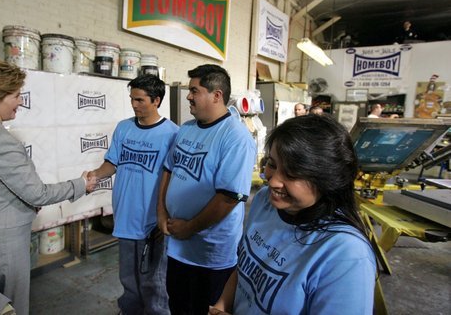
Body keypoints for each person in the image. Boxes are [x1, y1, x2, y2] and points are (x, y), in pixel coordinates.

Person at [0, 56, 97, 315]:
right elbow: (37, 192)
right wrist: (81, 184)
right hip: (4, 241)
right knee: (12, 306)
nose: (21, 102)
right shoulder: (0, 140)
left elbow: (1, 184)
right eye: (15, 96)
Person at [210, 114, 376, 314]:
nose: (273, 182)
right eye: (272, 164)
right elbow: (244, 268)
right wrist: (222, 305)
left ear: (327, 178)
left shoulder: (346, 255)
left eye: (291, 173)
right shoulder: (265, 201)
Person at [157, 64, 257, 314]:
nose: (189, 96)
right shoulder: (187, 128)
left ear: (216, 95)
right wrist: (161, 212)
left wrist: (189, 227)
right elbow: (169, 169)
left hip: (210, 254)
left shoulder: (235, 137)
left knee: (203, 308)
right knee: (178, 305)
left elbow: (229, 197)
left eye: (194, 90)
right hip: (177, 246)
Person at [89, 74, 178, 314]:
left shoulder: (172, 134)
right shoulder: (124, 127)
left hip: (152, 222)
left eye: (140, 100)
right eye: (132, 99)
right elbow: (112, 163)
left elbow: (173, 181)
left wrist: (164, 217)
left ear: (156, 100)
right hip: (126, 216)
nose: (134, 105)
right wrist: (96, 175)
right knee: (128, 278)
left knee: (154, 281)